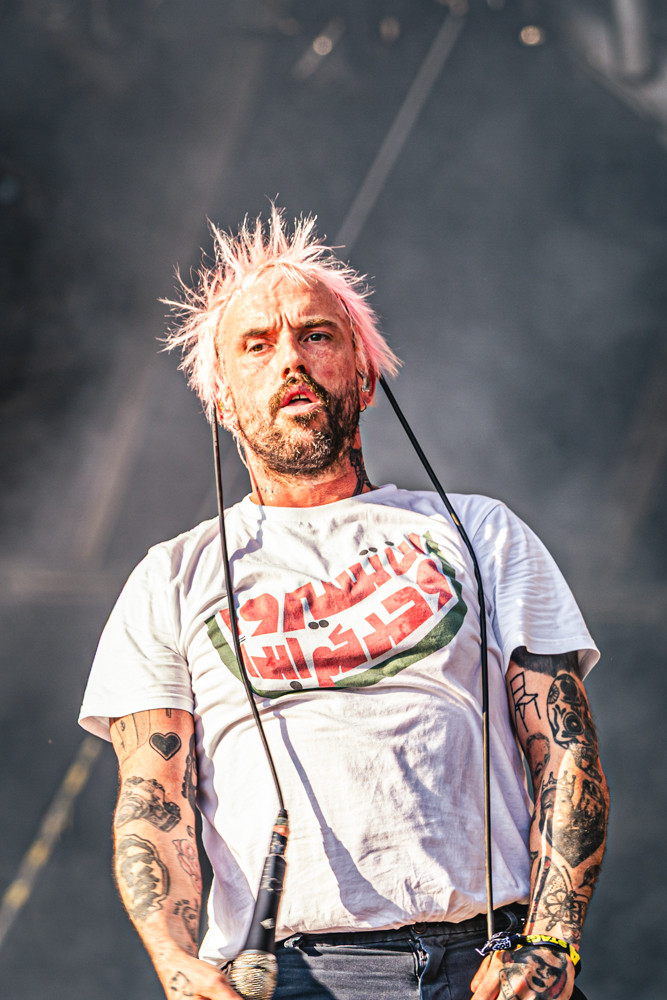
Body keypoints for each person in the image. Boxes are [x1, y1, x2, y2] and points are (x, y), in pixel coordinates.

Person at [79, 208, 608, 1000]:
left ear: (363, 375)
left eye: (316, 335)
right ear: (221, 399)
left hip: (489, 959)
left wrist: (551, 941)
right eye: (257, 345)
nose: (290, 357)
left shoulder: (480, 532)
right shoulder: (173, 578)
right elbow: (155, 800)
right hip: (294, 972)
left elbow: (564, 753)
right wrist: (175, 959)